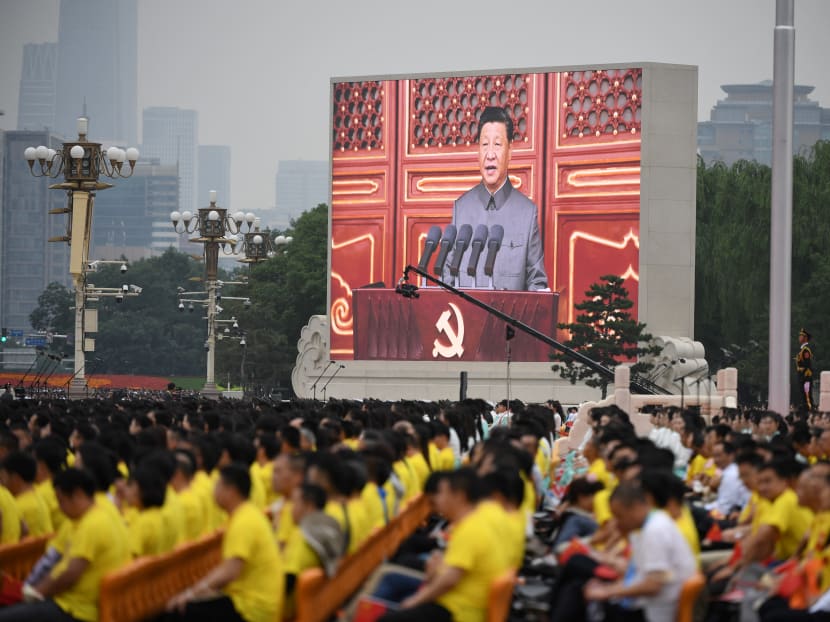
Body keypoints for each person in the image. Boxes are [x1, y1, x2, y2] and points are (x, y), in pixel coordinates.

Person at [378, 468, 511, 622]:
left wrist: (415, 601)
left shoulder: (471, 529)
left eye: (441, 493)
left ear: (459, 496)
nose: (437, 500)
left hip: (457, 611)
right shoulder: (479, 519)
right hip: (462, 604)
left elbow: (448, 580)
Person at [0, 468, 130, 622]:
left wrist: (36, 593)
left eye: (61, 501)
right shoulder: (105, 514)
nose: (61, 508)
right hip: (86, 603)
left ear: (78, 495)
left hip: (76, 609)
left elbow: (70, 572)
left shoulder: (91, 525)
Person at [445, 106, 548, 291]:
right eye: (485, 145)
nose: (490, 154)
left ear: (510, 151)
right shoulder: (461, 208)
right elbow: (447, 278)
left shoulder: (527, 212)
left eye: (497, 145)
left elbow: (537, 283)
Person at [165, 463, 284, 622]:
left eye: (217, 486)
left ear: (231, 490)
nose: (213, 491)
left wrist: (191, 593)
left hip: (252, 609)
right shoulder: (247, 514)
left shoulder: (244, 522)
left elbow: (229, 571)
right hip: (252, 601)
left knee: (179, 611)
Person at [583, 480, 697, 622]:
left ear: (636, 507)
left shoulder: (654, 531)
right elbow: (640, 574)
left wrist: (607, 591)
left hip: (656, 609)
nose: (617, 523)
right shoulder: (648, 526)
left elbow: (653, 585)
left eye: (619, 516)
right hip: (653, 602)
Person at [797, 328, 815, 411]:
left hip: (806, 377)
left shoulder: (806, 350)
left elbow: (808, 365)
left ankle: (811, 413)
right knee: (803, 397)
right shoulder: (802, 349)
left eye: (801, 336)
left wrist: (806, 378)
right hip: (802, 377)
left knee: (807, 396)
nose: (799, 337)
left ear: (805, 338)